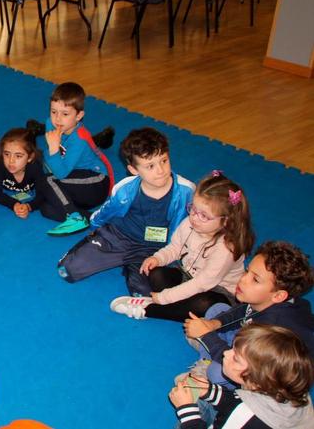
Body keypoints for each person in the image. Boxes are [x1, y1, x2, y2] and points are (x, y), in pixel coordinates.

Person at [56, 127, 195, 296]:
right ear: (134, 170)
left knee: (144, 293)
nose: (160, 170)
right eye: (150, 166)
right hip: (119, 237)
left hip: (155, 248)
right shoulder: (125, 189)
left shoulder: (186, 191)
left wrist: (169, 254)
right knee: (67, 270)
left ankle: (132, 266)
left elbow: (186, 229)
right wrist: (95, 225)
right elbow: (106, 212)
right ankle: (99, 249)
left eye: (164, 161)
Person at [110, 171, 254, 321]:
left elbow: (202, 284)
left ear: (226, 221)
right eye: (193, 208)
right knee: (156, 274)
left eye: (204, 216)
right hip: (188, 276)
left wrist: (165, 297)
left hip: (216, 291)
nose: (194, 217)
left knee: (204, 305)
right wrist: (158, 258)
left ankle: (149, 310)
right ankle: (178, 307)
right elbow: (174, 248)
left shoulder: (226, 249)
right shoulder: (190, 223)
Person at [182, 241, 314, 388]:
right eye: (247, 271)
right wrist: (214, 324)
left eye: (255, 279)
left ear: (278, 296)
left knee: (217, 372)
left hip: (265, 373)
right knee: (218, 309)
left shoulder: (271, 332)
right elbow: (244, 311)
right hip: (252, 340)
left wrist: (206, 335)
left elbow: (244, 368)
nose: (243, 279)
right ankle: (209, 346)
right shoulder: (267, 301)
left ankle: (205, 364)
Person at [170, 324, 314, 429]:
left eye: (236, 358)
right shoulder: (284, 384)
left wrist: (186, 409)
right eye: (232, 348)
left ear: (255, 382)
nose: (226, 353)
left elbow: (240, 409)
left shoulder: (243, 416)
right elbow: (239, 399)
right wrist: (210, 391)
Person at [25, 82, 115, 236]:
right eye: (54, 112)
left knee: (49, 181)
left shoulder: (79, 139)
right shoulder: (49, 123)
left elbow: (59, 175)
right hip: (75, 183)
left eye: (65, 114)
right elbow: (51, 165)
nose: (57, 119)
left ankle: (74, 217)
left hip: (96, 184)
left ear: (79, 116)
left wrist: (53, 149)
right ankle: (96, 219)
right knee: (46, 208)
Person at [0, 127, 67, 222]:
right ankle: (33, 128)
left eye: (18, 156)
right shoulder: (0, 163)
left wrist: (29, 206)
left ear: (30, 158)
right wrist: (14, 204)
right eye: (7, 154)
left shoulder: (35, 166)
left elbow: (43, 194)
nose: (11, 161)